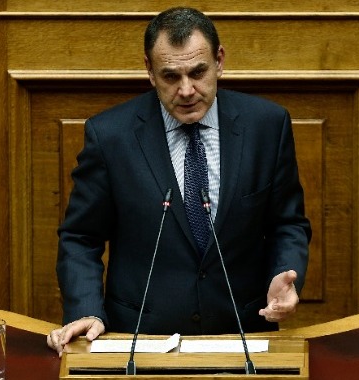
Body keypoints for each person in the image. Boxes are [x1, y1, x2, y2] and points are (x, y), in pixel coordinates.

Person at [47, 7, 311, 356]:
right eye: (171, 76)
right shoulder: (110, 136)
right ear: (150, 71)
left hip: (241, 335)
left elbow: (287, 223)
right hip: (140, 340)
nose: (186, 90)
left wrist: (283, 274)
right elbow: (81, 236)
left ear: (219, 61)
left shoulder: (266, 126)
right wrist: (86, 309)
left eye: (198, 72)